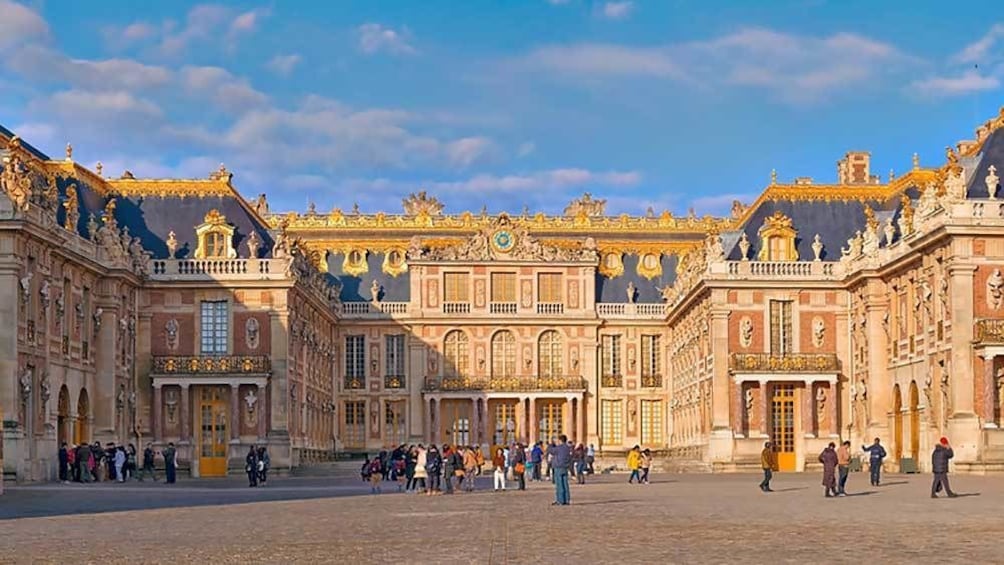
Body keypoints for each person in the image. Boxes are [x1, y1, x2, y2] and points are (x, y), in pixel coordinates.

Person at [550, 434, 572, 506]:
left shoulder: (559, 448)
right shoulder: (568, 448)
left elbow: (550, 451)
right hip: (565, 467)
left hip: (558, 467)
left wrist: (552, 443)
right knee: (565, 484)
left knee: (559, 484)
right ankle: (567, 499)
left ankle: (560, 500)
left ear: (560, 440)